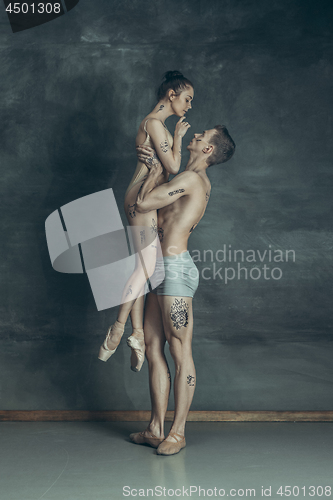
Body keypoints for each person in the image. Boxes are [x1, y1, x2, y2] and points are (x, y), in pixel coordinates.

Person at [129, 125, 236, 455]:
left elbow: (144, 203)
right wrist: (159, 167)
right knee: (152, 346)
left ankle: (178, 432)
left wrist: (155, 171)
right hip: (159, 269)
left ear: (207, 150)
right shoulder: (187, 178)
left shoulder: (191, 180)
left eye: (204, 135)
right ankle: (155, 428)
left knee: (179, 349)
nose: (198, 134)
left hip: (176, 270)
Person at [98, 71, 194, 372]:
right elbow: (174, 166)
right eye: (187, 99)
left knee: (142, 267)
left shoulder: (156, 125)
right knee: (148, 266)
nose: (189, 105)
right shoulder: (153, 123)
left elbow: (169, 167)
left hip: (144, 195)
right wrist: (178, 138)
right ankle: (118, 327)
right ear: (171, 95)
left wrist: (174, 138)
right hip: (141, 196)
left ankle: (137, 335)